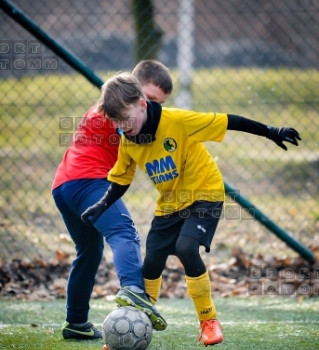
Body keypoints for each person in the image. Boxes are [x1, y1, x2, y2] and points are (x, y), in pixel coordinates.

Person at [81, 73, 301, 347]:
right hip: (170, 204)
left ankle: (209, 322)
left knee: (186, 248)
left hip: (205, 194)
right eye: (117, 123)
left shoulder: (178, 121)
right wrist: (101, 205)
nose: (123, 126)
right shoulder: (128, 139)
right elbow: (121, 179)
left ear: (141, 104)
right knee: (151, 263)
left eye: (126, 118)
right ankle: (137, 321)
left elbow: (227, 120)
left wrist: (270, 131)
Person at [51, 60, 173, 340]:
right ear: (134, 88)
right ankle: (132, 288)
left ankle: (76, 323)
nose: (153, 107)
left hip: (64, 187)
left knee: (89, 251)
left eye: (159, 103)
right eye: (150, 99)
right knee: (123, 231)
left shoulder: (111, 107)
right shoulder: (119, 115)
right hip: (88, 183)